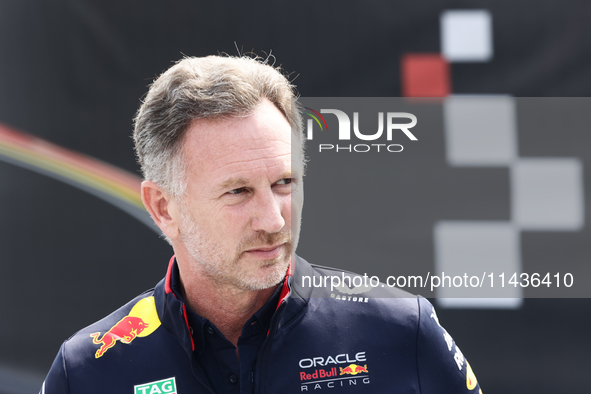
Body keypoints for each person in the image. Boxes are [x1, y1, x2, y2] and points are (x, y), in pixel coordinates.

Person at [41, 55, 482, 394]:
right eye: (238, 192)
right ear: (163, 208)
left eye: (284, 182)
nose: (273, 220)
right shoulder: (88, 370)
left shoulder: (401, 330)